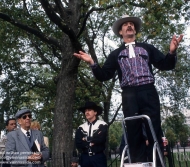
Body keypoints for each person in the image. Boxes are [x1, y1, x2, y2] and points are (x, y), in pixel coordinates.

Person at [74, 15, 183, 165]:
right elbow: (104, 75)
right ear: (120, 32)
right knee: (133, 131)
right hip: (129, 94)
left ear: (135, 30)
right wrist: (92, 63)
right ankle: (137, 163)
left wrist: (172, 52)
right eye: (125, 25)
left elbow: (166, 64)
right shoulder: (116, 54)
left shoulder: (147, 48)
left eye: (131, 24)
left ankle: (157, 162)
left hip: (148, 91)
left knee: (153, 129)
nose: (129, 26)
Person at [75, 101, 108, 167]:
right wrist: (91, 143)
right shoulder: (81, 127)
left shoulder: (102, 125)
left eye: (89, 110)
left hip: (98, 157)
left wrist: (86, 138)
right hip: (85, 158)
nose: (87, 112)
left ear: (95, 112)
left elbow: (100, 139)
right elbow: (78, 143)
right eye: (85, 111)